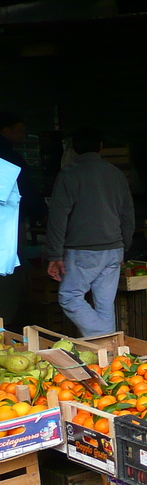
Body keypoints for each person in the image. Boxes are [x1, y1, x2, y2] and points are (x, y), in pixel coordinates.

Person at [45, 127, 134, 338]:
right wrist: (124, 248)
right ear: (101, 148)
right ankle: (111, 354)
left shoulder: (69, 175)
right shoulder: (116, 174)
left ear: (74, 149)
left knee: (69, 297)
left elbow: (57, 218)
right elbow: (128, 214)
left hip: (83, 251)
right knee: (104, 305)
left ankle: (108, 339)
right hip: (114, 249)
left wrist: (54, 255)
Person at [0, 112, 45, 328]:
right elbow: (27, 193)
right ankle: (5, 327)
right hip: (8, 229)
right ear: (4, 130)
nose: (22, 135)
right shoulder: (11, 159)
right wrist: (40, 213)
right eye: (17, 130)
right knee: (8, 278)